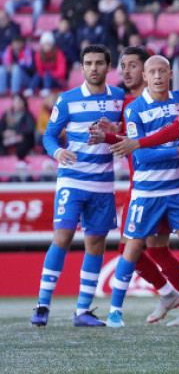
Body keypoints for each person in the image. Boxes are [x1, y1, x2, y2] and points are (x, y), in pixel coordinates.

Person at [90, 46, 179, 324]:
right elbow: (133, 142)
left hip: (168, 183)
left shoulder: (172, 100)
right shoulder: (126, 104)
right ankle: (172, 293)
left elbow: (140, 141)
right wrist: (109, 135)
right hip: (143, 185)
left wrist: (116, 135)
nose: (126, 71)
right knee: (135, 248)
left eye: (132, 65)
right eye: (123, 66)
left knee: (164, 246)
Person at [30, 44, 124, 327]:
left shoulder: (120, 99)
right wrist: (57, 152)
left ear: (108, 67)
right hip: (72, 179)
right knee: (63, 236)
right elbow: (48, 137)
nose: (93, 68)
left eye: (98, 63)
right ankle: (42, 305)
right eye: (88, 63)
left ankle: (83, 311)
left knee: (96, 243)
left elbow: (128, 132)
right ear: (81, 68)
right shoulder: (67, 100)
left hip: (103, 183)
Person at [0, 93, 35, 159]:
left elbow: (30, 128)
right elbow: (1, 126)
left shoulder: (27, 114)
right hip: (7, 138)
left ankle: (20, 161)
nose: (17, 103)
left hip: (21, 137)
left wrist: (15, 132)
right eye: (16, 101)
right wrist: (4, 133)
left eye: (20, 101)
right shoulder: (7, 113)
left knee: (27, 139)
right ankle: (3, 158)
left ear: (24, 102)